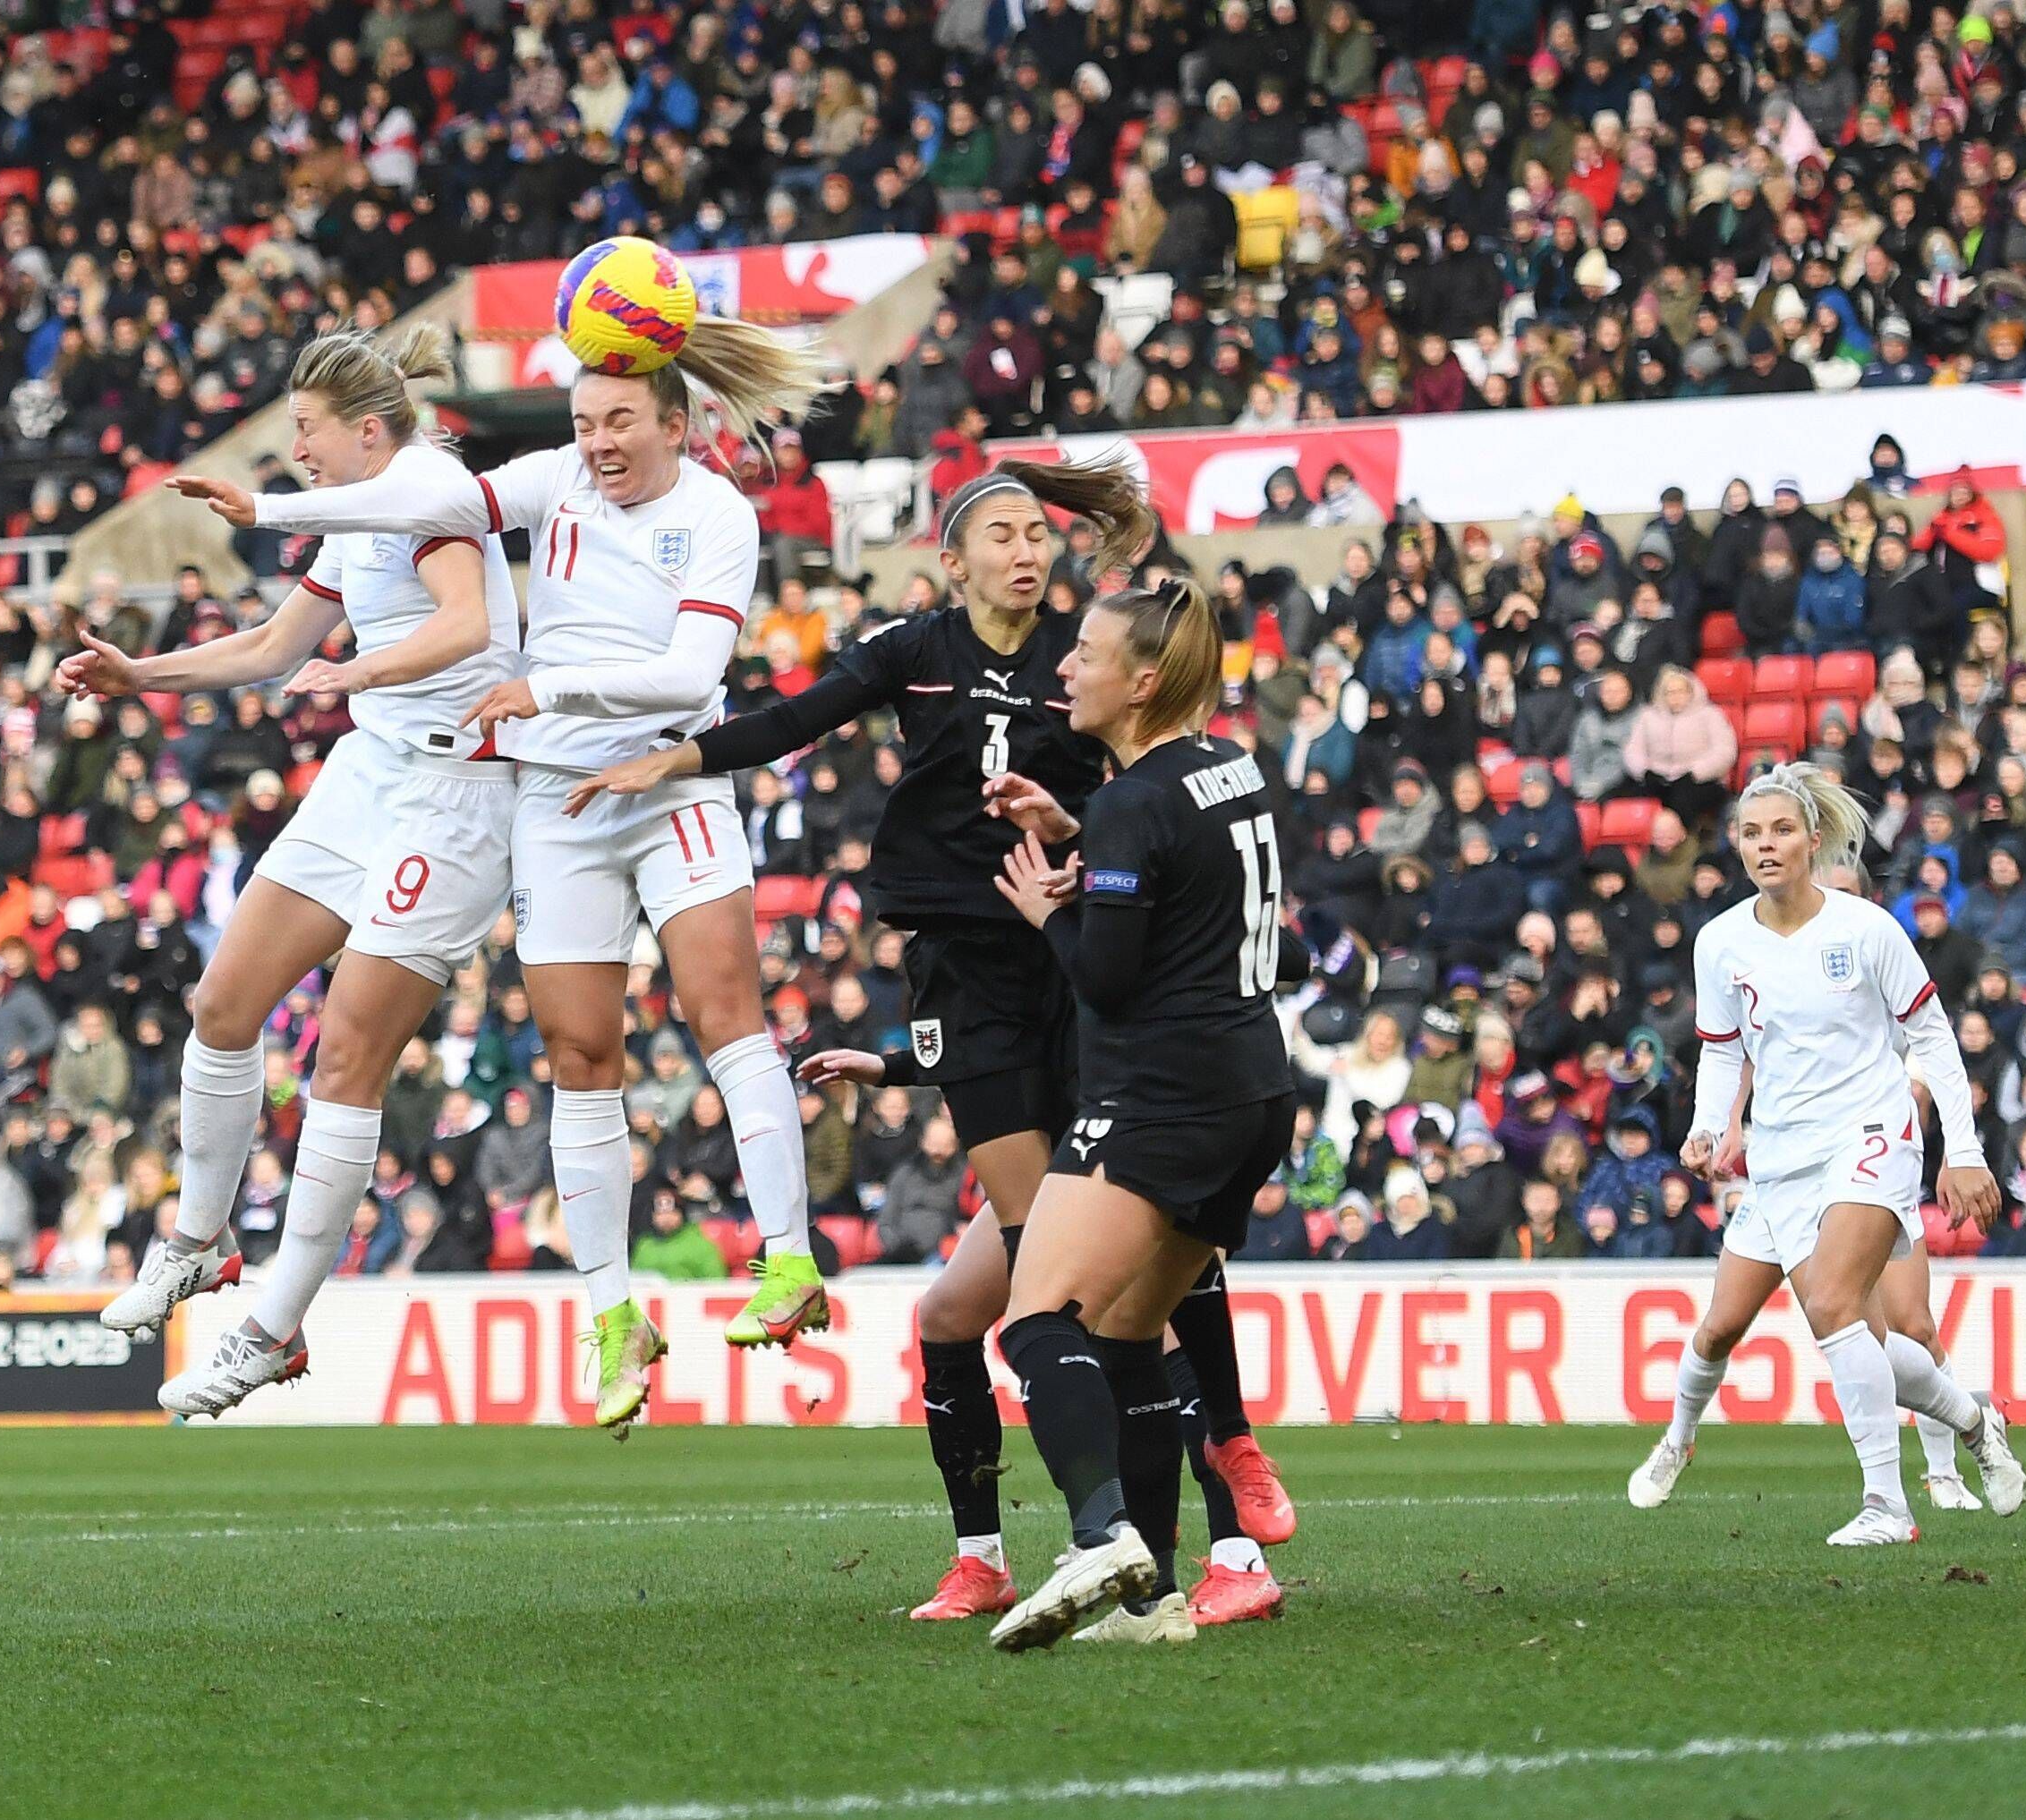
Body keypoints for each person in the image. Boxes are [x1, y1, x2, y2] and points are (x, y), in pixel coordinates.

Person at [585, 457, 1290, 1624]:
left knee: (1110, 1283)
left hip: (1074, 957)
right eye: (1000, 534)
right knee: (994, 1297)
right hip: (970, 984)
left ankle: (1187, 1507)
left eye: (1037, 533)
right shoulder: (914, 653)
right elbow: (795, 718)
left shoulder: (1086, 662)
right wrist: (685, 756)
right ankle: (1006, 1552)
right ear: (951, 562)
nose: (1027, 550)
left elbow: (1154, 783)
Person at [183, 304, 838, 1430]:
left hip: (669, 778)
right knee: (579, 1052)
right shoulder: (559, 482)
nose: (599, 443)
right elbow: (424, 496)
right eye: (585, 423)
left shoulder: (719, 514)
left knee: (725, 1011)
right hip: (557, 800)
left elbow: (690, 675)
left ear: (677, 425)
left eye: (622, 421)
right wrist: (274, 508)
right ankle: (613, 1316)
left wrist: (548, 689)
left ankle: (787, 1259)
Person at [79, 324, 522, 1416]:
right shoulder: (357, 518)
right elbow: (272, 650)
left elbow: (467, 625)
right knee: (221, 1003)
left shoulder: (429, 490)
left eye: (309, 435)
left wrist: (357, 671)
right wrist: (145, 676)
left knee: (343, 1062)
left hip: (457, 794)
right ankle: (197, 1238)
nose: (299, 456)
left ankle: (272, 1329)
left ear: (368, 431)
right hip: (371, 771)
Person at [980, 576, 1304, 1651]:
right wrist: (1089, 839)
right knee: (1124, 1337)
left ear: (1143, 679)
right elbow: (1187, 884)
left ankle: (1097, 1533)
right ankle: (1155, 1597)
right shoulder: (1227, 766)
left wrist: (1045, 914)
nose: (1065, 668)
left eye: (1085, 652)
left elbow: (1108, 982)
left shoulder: (1135, 800)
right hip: (1253, 1092)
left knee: (1035, 1323)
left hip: (1161, 1096)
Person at [1625, 764, 2026, 1545]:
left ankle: (1889, 1505)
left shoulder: (1864, 929)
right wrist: (1710, 1126)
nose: (1766, 845)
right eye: (1751, 832)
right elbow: (1718, 1051)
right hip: (1780, 1159)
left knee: (1838, 1308)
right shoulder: (1719, 943)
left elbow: (1933, 1036)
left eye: (1781, 831)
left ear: (1813, 842)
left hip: (1871, 1133)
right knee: (1779, 1332)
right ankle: (1976, 1422)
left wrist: (1965, 1149)